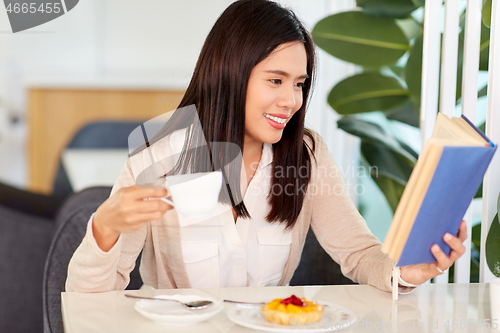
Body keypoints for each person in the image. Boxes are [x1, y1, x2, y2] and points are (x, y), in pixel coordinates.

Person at [66, 0, 467, 293]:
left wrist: (407, 273)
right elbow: (89, 300)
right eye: (275, 81)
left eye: (299, 83)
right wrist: (105, 228)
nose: (292, 100)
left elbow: (361, 254)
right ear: (230, 76)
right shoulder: (158, 156)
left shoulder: (307, 156)